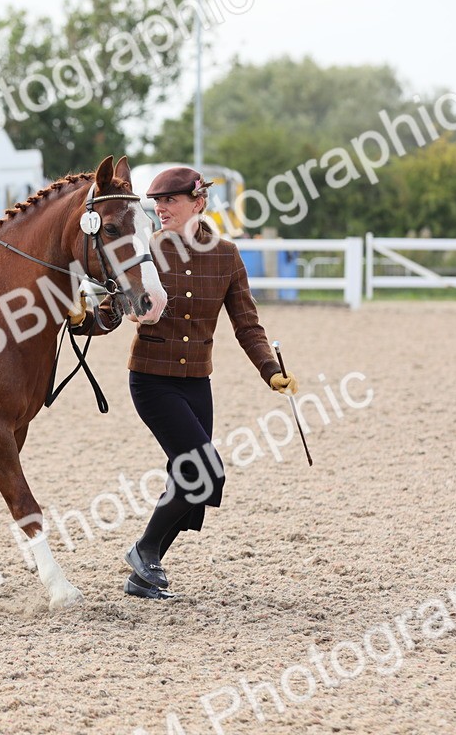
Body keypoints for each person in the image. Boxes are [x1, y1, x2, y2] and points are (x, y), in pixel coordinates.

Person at [71, 166, 298, 600]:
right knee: (204, 470)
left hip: (198, 382)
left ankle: (143, 575)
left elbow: (247, 325)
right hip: (152, 380)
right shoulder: (145, 251)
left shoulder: (227, 256)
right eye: (156, 202)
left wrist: (271, 370)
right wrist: (86, 318)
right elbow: (113, 312)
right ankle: (145, 550)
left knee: (194, 479)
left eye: (169, 201)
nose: (160, 209)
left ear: (198, 203)